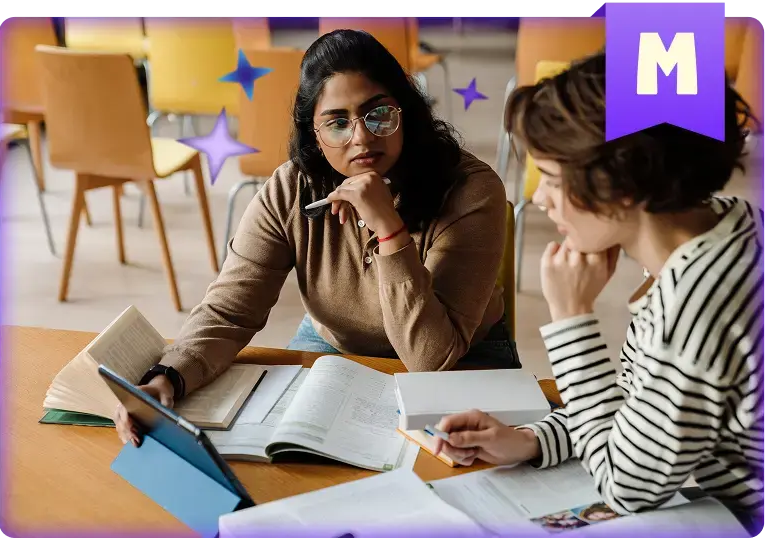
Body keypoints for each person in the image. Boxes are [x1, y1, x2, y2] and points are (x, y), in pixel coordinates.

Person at [114, 29, 513, 443]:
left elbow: (431, 360)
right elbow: (230, 310)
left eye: (379, 114)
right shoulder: (291, 188)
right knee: (285, 456)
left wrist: (390, 230)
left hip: (462, 355)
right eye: (337, 122)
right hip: (336, 347)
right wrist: (169, 376)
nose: (361, 137)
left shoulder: (470, 189)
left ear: (406, 113)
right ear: (315, 135)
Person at [434, 50, 764, 535]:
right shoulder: (729, 222)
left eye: (549, 178)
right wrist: (531, 439)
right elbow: (637, 410)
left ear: (620, 187)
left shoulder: (696, 304)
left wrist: (571, 319)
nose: (540, 199)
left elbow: (625, 486)